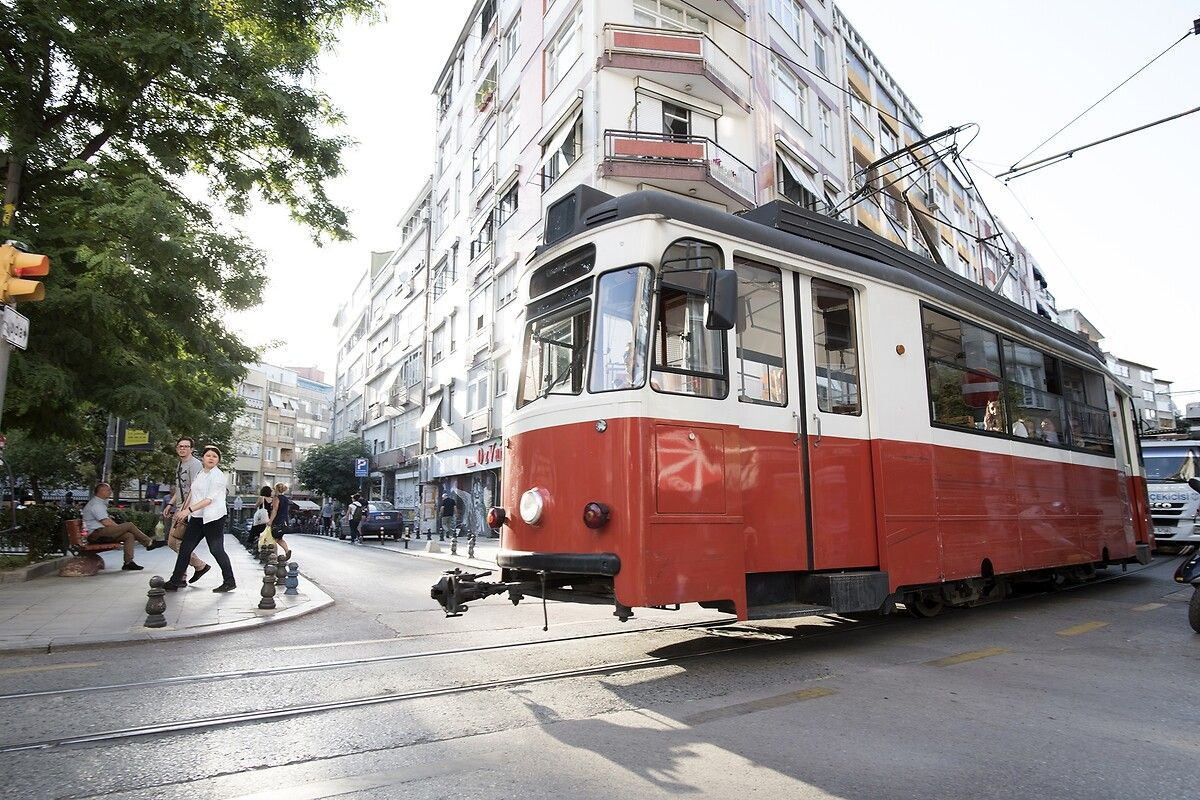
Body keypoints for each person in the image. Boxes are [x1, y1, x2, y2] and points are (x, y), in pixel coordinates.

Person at [163, 446, 236, 592]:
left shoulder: (218, 476)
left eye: (214, 456)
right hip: (197, 517)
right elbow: (192, 493)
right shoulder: (200, 473)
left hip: (213, 518)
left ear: (218, 460)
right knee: (185, 549)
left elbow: (208, 500)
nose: (211, 458)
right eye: (208, 455)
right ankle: (175, 581)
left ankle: (229, 581)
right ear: (203, 458)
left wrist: (187, 510)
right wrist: (183, 510)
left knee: (216, 550)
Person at [81, 483, 164, 570]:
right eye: (108, 490)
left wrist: (120, 529)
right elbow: (106, 522)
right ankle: (149, 543)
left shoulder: (99, 503)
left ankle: (128, 563)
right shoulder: (96, 504)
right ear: (101, 491)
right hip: (96, 534)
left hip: (101, 533)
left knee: (129, 535)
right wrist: (121, 528)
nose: (110, 492)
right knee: (129, 525)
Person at [163, 436, 210, 583]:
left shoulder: (195, 465)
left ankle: (197, 567)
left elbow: (194, 490)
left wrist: (184, 510)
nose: (182, 449)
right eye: (180, 446)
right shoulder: (180, 464)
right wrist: (170, 504)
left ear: (192, 449)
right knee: (179, 543)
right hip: (180, 508)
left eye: (186, 446)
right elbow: (179, 489)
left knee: (175, 542)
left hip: (189, 510)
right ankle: (187, 572)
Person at [268, 482, 292, 560]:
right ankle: (287, 551)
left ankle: (274, 556)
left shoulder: (276, 498)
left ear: (277, 489)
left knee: (273, 539)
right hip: (284, 521)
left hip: (277, 521)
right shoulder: (286, 499)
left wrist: (270, 521)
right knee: (279, 538)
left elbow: (274, 510)